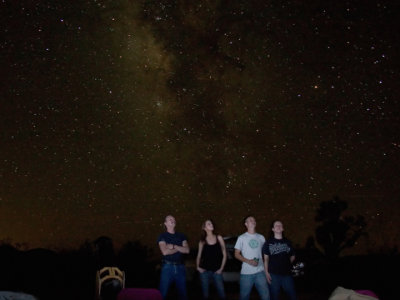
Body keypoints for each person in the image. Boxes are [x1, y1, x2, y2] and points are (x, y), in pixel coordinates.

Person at [234, 216, 270, 300]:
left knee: (266, 296)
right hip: (246, 273)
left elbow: (266, 255)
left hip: (260, 272)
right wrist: (248, 261)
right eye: (250, 220)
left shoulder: (261, 237)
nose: (253, 221)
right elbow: (236, 254)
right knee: (244, 297)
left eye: (254, 220)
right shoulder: (241, 238)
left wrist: (266, 270)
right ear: (246, 224)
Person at [157, 215, 190, 300]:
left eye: (174, 219)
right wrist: (179, 248)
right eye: (170, 219)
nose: (173, 220)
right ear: (165, 223)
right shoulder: (162, 236)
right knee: (162, 294)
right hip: (167, 268)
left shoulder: (182, 236)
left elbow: (187, 250)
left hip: (181, 267)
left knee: (183, 295)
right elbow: (165, 252)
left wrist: (174, 246)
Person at [263, 220, 297, 300]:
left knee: (292, 296)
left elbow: (293, 255)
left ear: (282, 229)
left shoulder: (288, 242)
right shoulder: (268, 243)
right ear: (273, 229)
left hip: (287, 274)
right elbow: (266, 258)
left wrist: (287, 263)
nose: (278, 226)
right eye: (276, 225)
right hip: (273, 274)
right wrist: (266, 272)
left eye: (280, 225)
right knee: (274, 296)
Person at [196, 219, 227, 299]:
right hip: (204, 271)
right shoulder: (202, 241)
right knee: (205, 295)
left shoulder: (219, 237)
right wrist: (198, 267)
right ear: (204, 228)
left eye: (211, 223)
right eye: (209, 224)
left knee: (222, 293)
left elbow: (224, 254)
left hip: (217, 270)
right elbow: (199, 256)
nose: (211, 224)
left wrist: (221, 268)